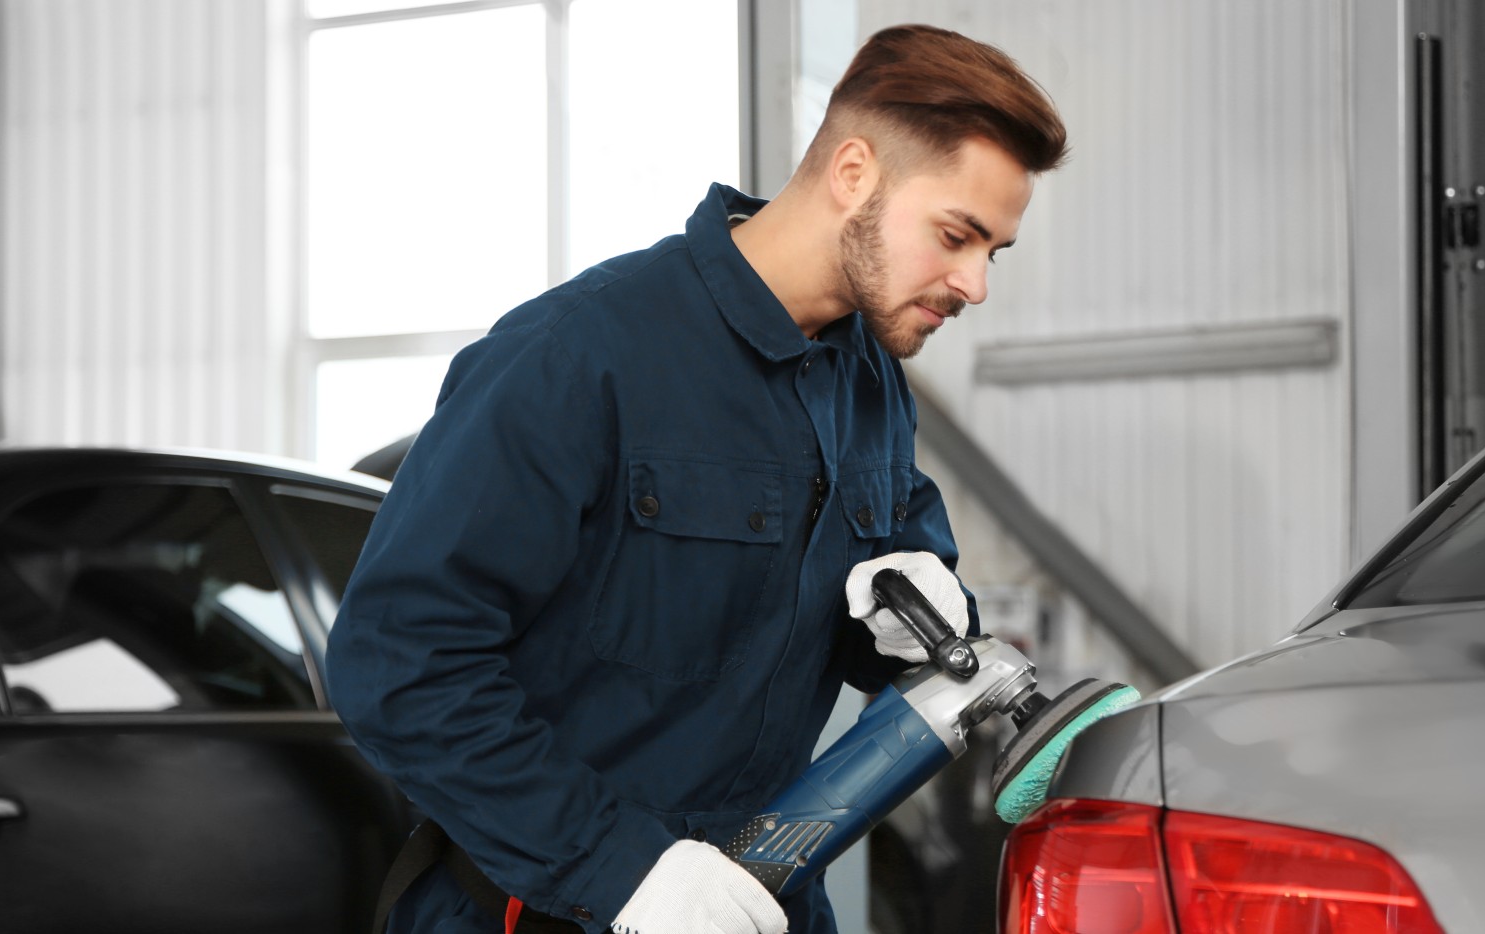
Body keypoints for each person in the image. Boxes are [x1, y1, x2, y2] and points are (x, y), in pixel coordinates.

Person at [324, 23, 1067, 934]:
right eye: (957, 235)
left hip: (760, 901)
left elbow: (874, 605)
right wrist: (621, 869)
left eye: (993, 252)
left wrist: (919, 618)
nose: (975, 284)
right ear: (853, 173)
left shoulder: (869, 382)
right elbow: (397, 666)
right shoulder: (575, 358)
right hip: (550, 906)